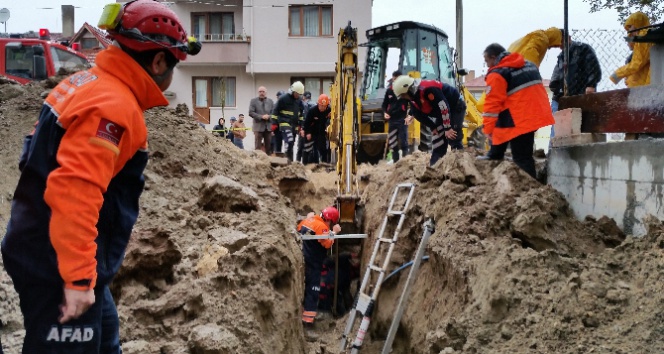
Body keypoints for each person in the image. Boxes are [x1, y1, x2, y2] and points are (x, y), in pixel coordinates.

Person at [0, 1, 200, 353]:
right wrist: (76, 278)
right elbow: (74, 192)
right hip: (56, 266)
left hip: (51, 250)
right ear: (157, 62)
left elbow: (36, 158)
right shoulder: (114, 106)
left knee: (105, 336)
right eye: (175, 64)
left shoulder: (83, 83)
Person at [479, 43, 554, 178]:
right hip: (535, 114)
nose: (488, 66)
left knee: (521, 157)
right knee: (504, 127)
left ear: (494, 57)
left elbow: (492, 105)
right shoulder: (528, 65)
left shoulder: (498, 73)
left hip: (520, 117)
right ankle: (495, 153)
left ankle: (529, 189)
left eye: (487, 61)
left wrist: (488, 129)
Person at [392, 75, 466, 166]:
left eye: (403, 95)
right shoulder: (413, 100)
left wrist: (447, 128)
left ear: (409, 89)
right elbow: (418, 115)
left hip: (455, 106)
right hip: (441, 113)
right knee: (438, 143)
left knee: (453, 136)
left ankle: (461, 164)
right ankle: (434, 168)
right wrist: (433, 126)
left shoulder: (429, 89)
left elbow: (443, 107)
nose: (404, 98)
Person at [297, 206, 341, 340]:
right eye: (331, 223)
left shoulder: (307, 221)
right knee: (313, 291)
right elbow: (327, 244)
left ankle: (306, 317)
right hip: (313, 263)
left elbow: (299, 231)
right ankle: (307, 325)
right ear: (330, 220)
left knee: (308, 289)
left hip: (305, 260)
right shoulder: (322, 227)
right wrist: (334, 232)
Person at [609, 11, 652, 87]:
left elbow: (637, 62)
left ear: (636, 25)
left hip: (643, 86)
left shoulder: (643, 36)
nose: (629, 29)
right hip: (642, 83)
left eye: (630, 26)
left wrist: (617, 75)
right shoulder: (645, 37)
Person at [382, 70, 410, 163]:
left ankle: (406, 162)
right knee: (393, 143)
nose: (395, 82)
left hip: (402, 120)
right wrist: (385, 112)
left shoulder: (406, 90)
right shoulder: (389, 90)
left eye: (396, 80)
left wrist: (409, 115)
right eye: (394, 80)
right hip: (392, 120)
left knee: (403, 142)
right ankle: (395, 162)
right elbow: (384, 104)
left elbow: (413, 104)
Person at [272, 82, 304, 161]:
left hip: (294, 126)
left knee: (291, 144)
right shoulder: (283, 98)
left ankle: (289, 161)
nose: (298, 95)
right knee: (289, 141)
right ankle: (286, 159)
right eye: (297, 93)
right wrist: (274, 123)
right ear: (293, 91)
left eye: (299, 94)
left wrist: (300, 125)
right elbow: (275, 111)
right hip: (284, 123)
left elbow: (301, 114)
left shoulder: (299, 101)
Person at [302, 94, 331, 164]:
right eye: (321, 106)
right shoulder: (312, 110)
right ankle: (306, 165)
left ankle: (324, 164)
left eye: (324, 106)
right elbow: (307, 123)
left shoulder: (329, 110)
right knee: (308, 149)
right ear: (318, 104)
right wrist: (308, 132)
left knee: (323, 149)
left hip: (321, 132)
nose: (323, 108)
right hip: (311, 132)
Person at [248, 86, 274, 154]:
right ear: (258, 92)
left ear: (266, 92)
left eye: (263, 91)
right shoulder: (253, 101)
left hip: (268, 128)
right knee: (258, 147)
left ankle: (268, 162)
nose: (261, 93)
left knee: (268, 147)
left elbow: (274, 113)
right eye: (260, 91)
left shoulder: (270, 101)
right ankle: (257, 162)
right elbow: (251, 112)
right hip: (258, 127)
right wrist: (261, 117)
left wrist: (269, 116)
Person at [296, 91, 314, 163]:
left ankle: (297, 164)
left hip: (303, 129)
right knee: (310, 149)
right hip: (311, 130)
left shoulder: (303, 105)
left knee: (301, 148)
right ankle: (309, 166)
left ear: (303, 97)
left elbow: (302, 118)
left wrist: (302, 129)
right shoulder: (314, 104)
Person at [271, 90, 286, 155]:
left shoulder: (287, 106)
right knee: (276, 146)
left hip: (285, 128)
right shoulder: (274, 106)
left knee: (288, 146)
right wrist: (272, 128)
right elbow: (272, 117)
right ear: (277, 97)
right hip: (277, 129)